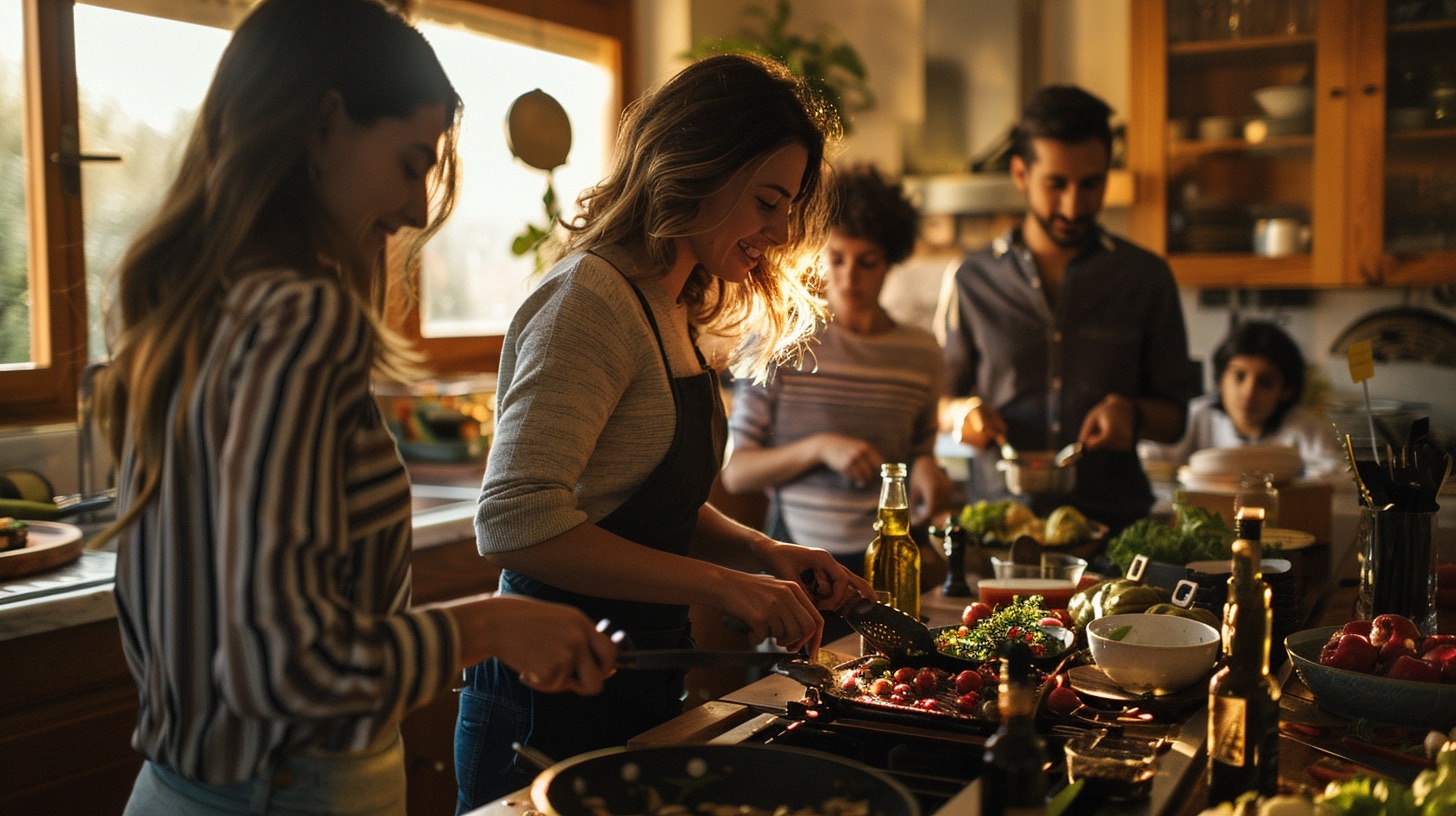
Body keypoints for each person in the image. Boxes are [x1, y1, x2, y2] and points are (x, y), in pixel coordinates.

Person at [95, 2, 618, 813]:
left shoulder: (190, 308)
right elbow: (283, 663)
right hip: (287, 791)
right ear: (325, 126)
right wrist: (491, 627)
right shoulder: (300, 316)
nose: (415, 211)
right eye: (411, 163)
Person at [455, 53, 875, 809]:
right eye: (767, 202)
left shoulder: (670, 304)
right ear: (696, 170)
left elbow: (634, 497)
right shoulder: (590, 301)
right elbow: (515, 523)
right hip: (544, 695)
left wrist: (761, 551)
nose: (779, 232)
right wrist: (726, 584)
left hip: (629, 683)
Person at [935, 85, 1200, 531]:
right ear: (1021, 174)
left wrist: (1132, 416)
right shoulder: (972, 280)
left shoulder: (1145, 277)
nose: (1073, 206)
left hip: (1113, 531)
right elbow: (939, 403)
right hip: (1000, 529)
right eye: (1056, 184)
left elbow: (1176, 417)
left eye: (1090, 184)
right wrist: (962, 413)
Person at [720, 164, 951, 586]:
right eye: (837, 259)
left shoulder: (921, 353)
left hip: (885, 561)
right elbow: (738, 473)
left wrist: (926, 470)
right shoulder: (779, 338)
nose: (849, 278)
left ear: (891, 262)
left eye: (868, 262)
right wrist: (821, 448)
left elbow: (920, 451)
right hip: (797, 562)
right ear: (818, 254)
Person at [1140, 320, 1344, 476]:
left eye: (1264, 383)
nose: (1249, 392)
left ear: (1286, 391)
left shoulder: (1306, 428)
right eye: (1239, 377)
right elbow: (1154, 457)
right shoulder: (1198, 415)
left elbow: (1333, 475)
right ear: (1220, 380)